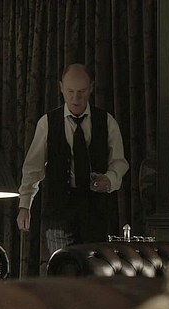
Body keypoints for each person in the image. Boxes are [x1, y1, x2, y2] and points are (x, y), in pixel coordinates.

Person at [17, 63, 129, 257]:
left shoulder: (106, 121)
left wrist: (109, 180)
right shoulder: (47, 123)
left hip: (96, 213)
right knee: (63, 266)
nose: (76, 98)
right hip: (59, 214)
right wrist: (25, 205)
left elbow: (119, 162)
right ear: (61, 88)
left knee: (95, 269)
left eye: (81, 92)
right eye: (70, 92)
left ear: (91, 87)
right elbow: (33, 168)